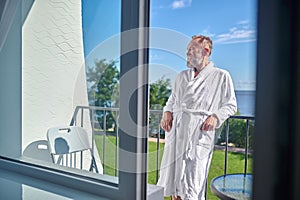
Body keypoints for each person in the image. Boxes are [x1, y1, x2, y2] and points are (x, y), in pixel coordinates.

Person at [156, 35, 237, 200]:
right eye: (187, 51)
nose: (187, 54)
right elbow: (172, 100)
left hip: (198, 135)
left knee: (193, 184)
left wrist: (215, 117)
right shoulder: (181, 76)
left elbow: (231, 105)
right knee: (174, 186)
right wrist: (167, 112)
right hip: (177, 133)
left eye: (191, 50)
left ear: (206, 51)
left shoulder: (221, 76)